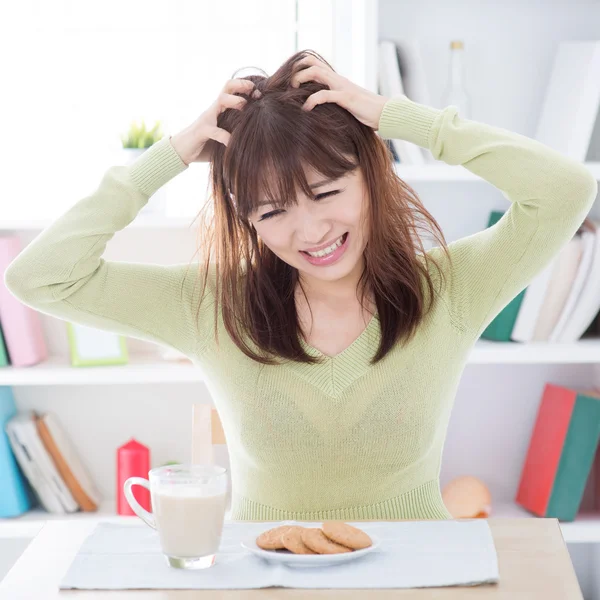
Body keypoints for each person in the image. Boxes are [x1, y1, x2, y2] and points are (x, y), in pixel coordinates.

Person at [5, 50, 597, 521]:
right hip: (261, 578)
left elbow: (566, 190)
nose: (310, 233)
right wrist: (171, 155)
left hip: (419, 576)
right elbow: (40, 277)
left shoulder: (449, 288)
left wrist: (393, 116)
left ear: (370, 175)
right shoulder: (213, 305)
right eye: (270, 213)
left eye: (326, 193)